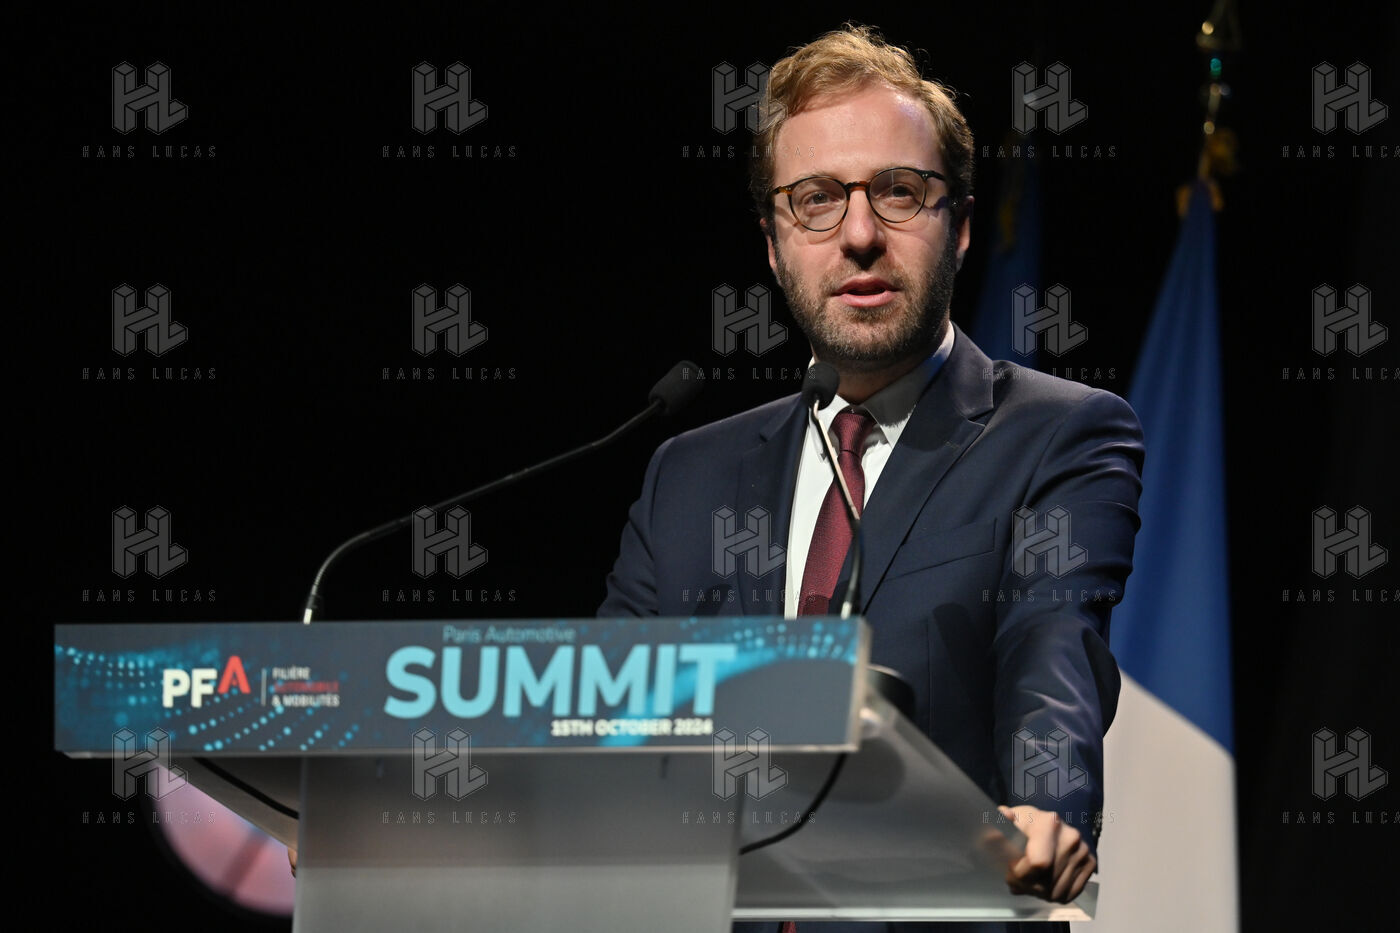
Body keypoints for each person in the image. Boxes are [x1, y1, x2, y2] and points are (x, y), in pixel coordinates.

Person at [598, 24, 1145, 933]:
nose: (858, 235)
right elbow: (595, 713)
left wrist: (1047, 809)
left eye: (898, 192)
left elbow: (1050, 649)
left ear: (959, 227)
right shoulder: (688, 474)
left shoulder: (1058, 435)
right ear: (774, 244)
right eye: (815, 199)